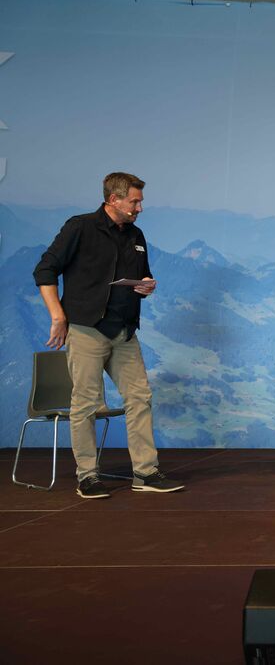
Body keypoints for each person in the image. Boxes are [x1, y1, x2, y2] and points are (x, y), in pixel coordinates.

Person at [32, 172, 184, 498]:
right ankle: (87, 476)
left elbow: (143, 278)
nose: (140, 208)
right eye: (135, 201)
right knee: (85, 404)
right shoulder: (80, 227)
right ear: (114, 200)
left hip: (124, 333)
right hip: (87, 331)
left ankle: (145, 473)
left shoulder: (136, 235)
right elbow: (44, 270)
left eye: (140, 201)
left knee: (140, 398)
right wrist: (58, 315)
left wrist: (145, 287)